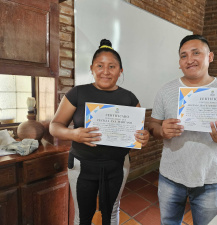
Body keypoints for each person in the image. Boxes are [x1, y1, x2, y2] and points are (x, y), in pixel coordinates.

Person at [49, 39, 149, 225]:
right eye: (100, 65)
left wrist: (143, 137)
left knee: (111, 213)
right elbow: (54, 126)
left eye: (112, 66)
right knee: (83, 216)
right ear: (92, 68)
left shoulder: (129, 97)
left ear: (120, 70)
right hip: (82, 165)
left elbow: (140, 133)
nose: (105, 71)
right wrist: (74, 134)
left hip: (117, 166)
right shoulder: (77, 93)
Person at [148, 34, 217, 225]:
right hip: (170, 176)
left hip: (209, 178)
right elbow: (152, 125)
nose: (189, 59)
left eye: (196, 53)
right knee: (169, 222)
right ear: (179, 62)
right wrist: (161, 131)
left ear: (210, 56)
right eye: (183, 56)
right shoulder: (166, 90)